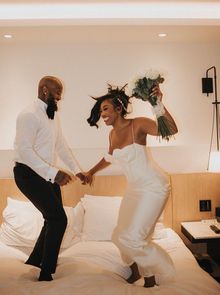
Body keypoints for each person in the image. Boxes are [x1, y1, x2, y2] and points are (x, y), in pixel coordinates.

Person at [86, 84, 178, 288]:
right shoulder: (111, 135)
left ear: (119, 108)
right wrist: (91, 172)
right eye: (101, 111)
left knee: (134, 238)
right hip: (135, 189)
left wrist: (158, 103)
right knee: (119, 235)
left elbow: (170, 129)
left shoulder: (138, 125)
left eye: (106, 109)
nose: (102, 115)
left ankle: (161, 269)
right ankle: (141, 273)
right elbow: (109, 157)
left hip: (154, 187)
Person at [13, 76, 86, 281]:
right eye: (57, 92)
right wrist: (54, 173)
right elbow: (25, 152)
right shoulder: (28, 115)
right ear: (44, 90)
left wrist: (76, 170)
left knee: (51, 219)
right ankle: (46, 272)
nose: (60, 96)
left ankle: (35, 261)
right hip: (27, 174)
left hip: (45, 174)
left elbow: (61, 145)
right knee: (58, 219)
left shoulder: (52, 115)